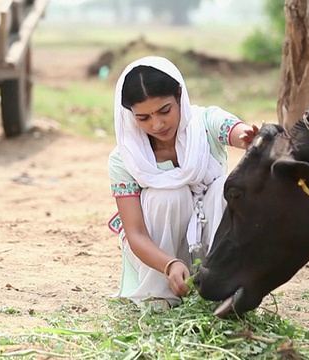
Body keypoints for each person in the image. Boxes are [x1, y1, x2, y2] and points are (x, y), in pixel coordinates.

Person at [107, 56, 259, 308]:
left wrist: (249, 138)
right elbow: (135, 234)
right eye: (143, 118)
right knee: (166, 195)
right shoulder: (124, 159)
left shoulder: (205, 124)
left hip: (212, 244)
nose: (157, 124)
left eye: (164, 111)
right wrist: (169, 264)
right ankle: (158, 297)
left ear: (180, 95)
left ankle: (222, 286)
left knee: (225, 187)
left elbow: (236, 131)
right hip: (158, 261)